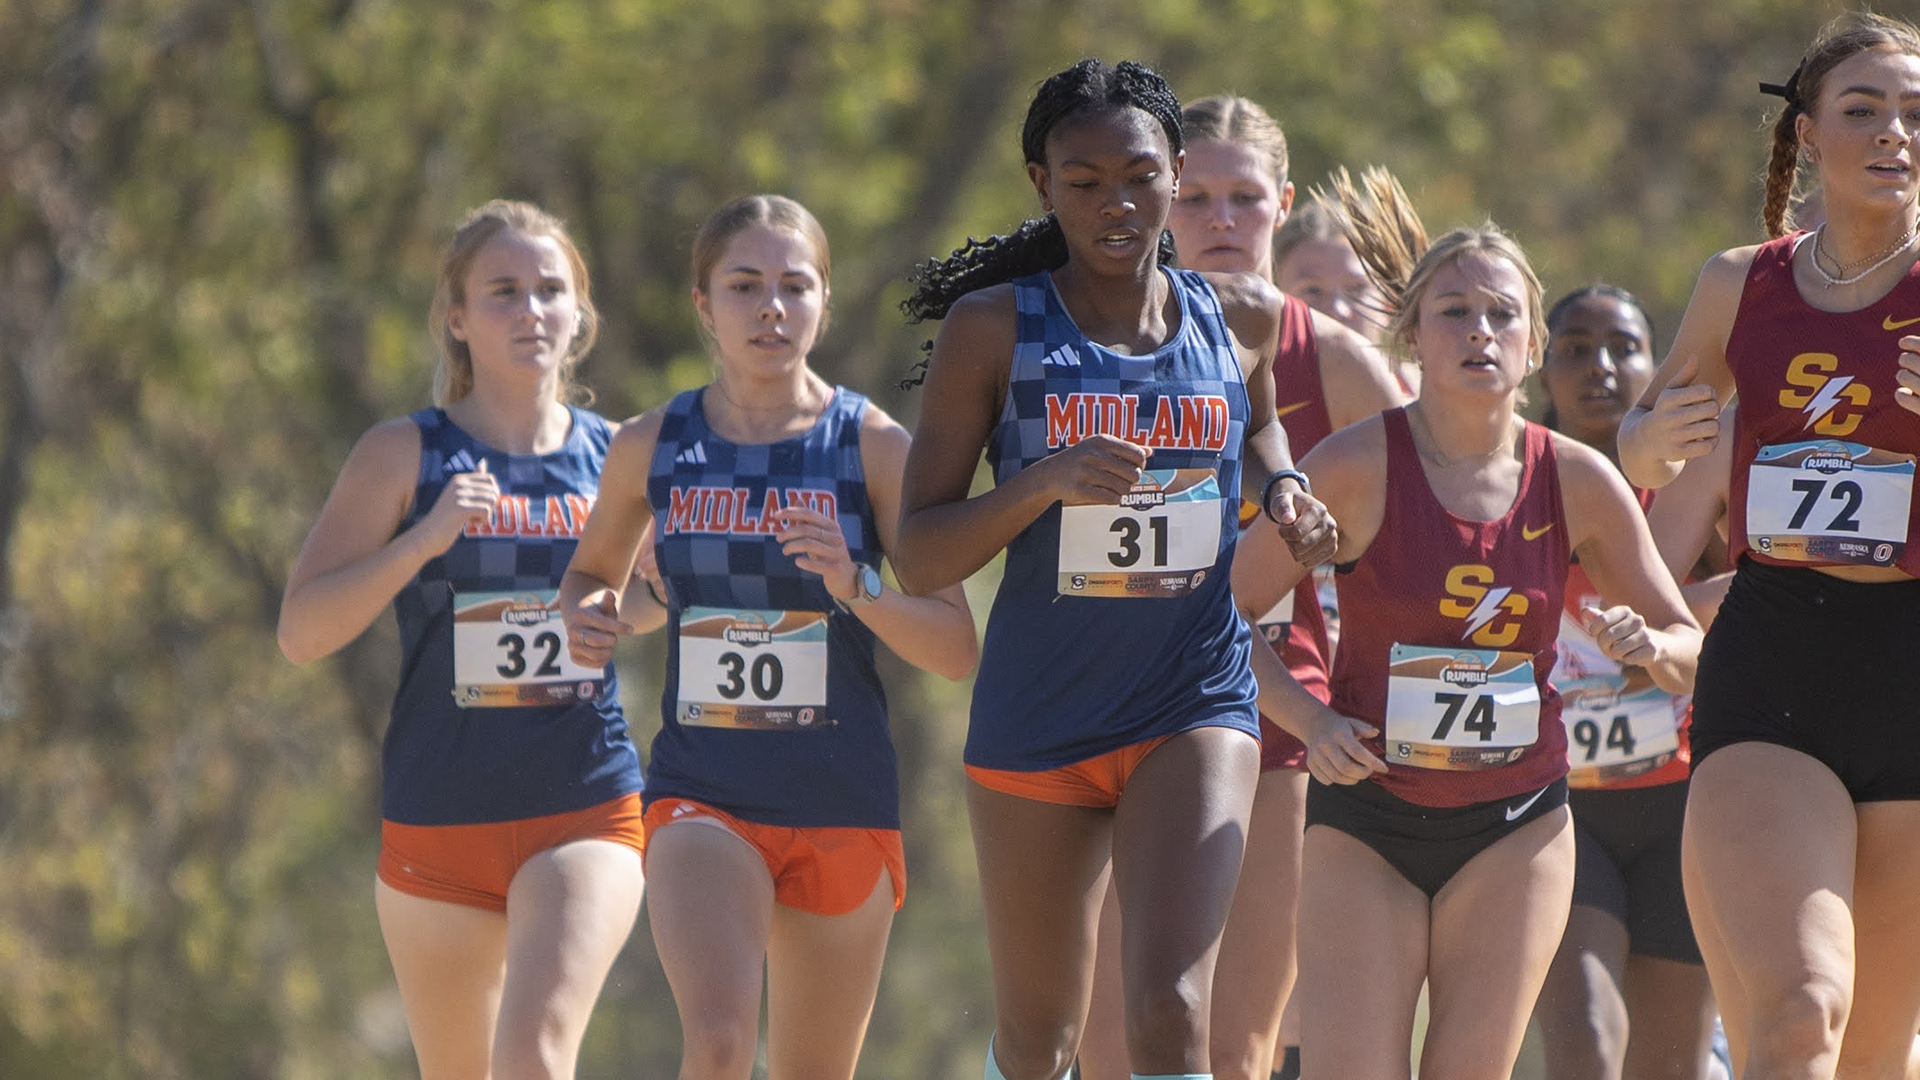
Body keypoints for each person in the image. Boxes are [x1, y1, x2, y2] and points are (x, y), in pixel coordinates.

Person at [892, 60, 1336, 1080]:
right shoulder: (994, 330)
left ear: (1176, 175)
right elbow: (918, 557)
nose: (1117, 205)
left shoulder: (1242, 316)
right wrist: (1041, 483)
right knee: (1039, 1041)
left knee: (1172, 1009)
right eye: (1084, 181)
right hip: (1039, 715)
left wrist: (1285, 494)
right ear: (1041, 187)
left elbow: (1261, 426)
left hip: (1192, 698)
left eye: (1139, 176)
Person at [1233, 167, 1701, 1079]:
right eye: (1453, 312)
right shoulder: (1354, 465)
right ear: (1411, 336)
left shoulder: (1576, 479)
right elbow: (1222, 615)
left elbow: (1688, 646)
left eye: (1500, 315)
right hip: (1367, 814)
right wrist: (1310, 719)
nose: (1478, 332)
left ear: (1531, 348)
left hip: (1517, 821)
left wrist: (1655, 645)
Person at [559, 194, 977, 1080]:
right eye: (744, 286)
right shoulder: (651, 444)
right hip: (702, 792)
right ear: (704, 304)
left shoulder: (871, 446)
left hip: (841, 796)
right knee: (716, 1043)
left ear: (825, 299)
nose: (771, 308)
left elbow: (953, 646)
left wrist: (855, 586)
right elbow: (593, 586)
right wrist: (604, 619)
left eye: (794, 285)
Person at [1074, 94, 1404, 1080]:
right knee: (1103, 1042)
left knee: (1233, 1047)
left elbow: (1426, 537)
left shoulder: (1331, 360)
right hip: (1104, 712)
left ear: (1282, 205)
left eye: (1246, 199)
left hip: (1268, 720)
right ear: (1163, 200)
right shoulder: (1090, 330)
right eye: (1199, 196)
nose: (1222, 221)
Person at [1615, 13, 1920, 1078]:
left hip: (1913, 671)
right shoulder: (1739, 281)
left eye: (1917, 114)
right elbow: (1647, 454)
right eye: (1865, 110)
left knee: (1877, 1059)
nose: (1896, 134)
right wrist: (1647, 435)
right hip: (1776, 661)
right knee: (1798, 1015)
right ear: (1810, 133)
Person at [277, 200, 645, 1080]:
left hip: (584, 805)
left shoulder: (621, 456)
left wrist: (622, 617)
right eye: (504, 292)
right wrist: (421, 541)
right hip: (437, 817)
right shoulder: (403, 453)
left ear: (579, 315)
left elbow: (662, 599)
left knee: (534, 1057)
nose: (531, 312)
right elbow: (302, 632)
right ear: (457, 317)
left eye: (551, 291)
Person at [1528, 285, 1718, 1080]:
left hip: (1685, 804)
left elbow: (1759, 600)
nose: (1599, 367)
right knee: (1588, 1045)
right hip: (1559, 809)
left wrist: (1684, 620)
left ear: (1655, 368)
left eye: (1623, 347)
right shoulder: (1514, 481)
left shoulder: (1687, 491)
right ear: (1543, 368)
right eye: (1574, 348)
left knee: (1669, 1067)